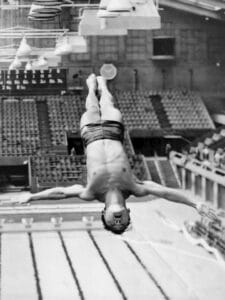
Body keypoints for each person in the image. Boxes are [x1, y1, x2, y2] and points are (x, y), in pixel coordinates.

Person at [15, 74, 207, 234]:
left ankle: (91, 88)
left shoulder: (90, 192)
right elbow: (166, 193)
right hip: (114, 133)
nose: (117, 221)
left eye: (112, 223)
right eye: (122, 222)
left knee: (91, 107)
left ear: (104, 214)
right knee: (108, 104)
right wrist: (195, 205)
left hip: (91, 136)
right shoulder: (136, 188)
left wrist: (32, 197)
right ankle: (104, 86)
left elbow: (60, 193)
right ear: (128, 212)